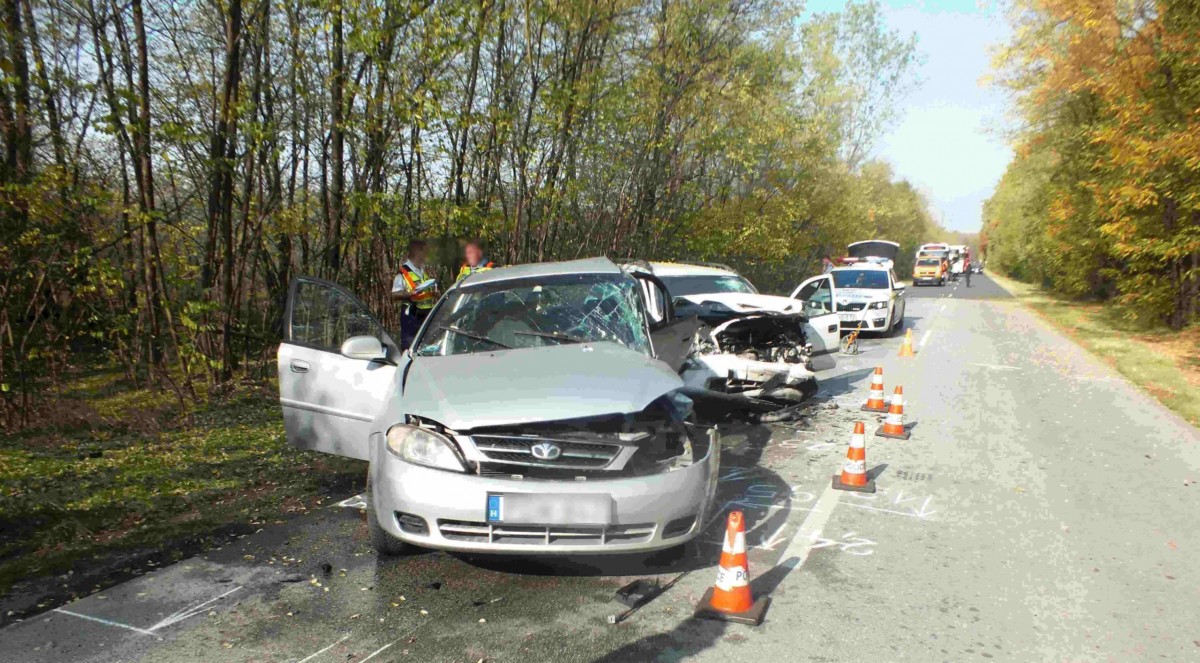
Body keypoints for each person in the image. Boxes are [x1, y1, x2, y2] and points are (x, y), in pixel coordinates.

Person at [391, 240, 438, 350]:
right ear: (417, 252)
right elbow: (394, 294)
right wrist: (409, 294)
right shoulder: (403, 272)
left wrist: (435, 293)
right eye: (425, 252)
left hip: (426, 315)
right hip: (412, 317)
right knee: (410, 348)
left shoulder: (422, 270)